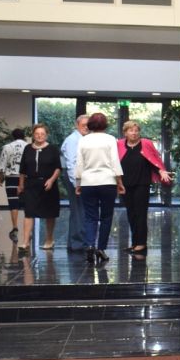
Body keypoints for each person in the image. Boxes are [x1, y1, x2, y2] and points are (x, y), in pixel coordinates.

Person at [74, 113, 124, 266]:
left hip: (88, 182)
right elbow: (115, 161)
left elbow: (79, 163)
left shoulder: (83, 140)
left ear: (90, 125)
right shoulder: (110, 139)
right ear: (105, 125)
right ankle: (101, 248)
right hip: (107, 181)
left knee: (90, 217)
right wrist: (119, 182)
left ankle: (90, 244)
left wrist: (78, 183)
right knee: (106, 217)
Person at [117, 120, 172, 259]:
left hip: (142, 183)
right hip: (125, 184)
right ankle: (135, 242)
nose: (134, 133)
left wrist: (161, 170)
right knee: (131, 213)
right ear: (125, 133)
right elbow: (115, 163)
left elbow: (154, 160)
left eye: (136, 131)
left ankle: (141, 243)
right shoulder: (119, 145)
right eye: (131, 130)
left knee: (140, 213)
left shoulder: (146, 143)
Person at [17, 123, 62, 254]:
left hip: (48, 184)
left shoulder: (52, 149)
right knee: (29, 212)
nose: (39, 136)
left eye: (42, 134)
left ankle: (49, 239)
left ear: (46, 135)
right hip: (31, 184)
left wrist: (51, 180)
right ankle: (25, 241)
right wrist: (21, 185)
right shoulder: (27, 148)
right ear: (33, 135)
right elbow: (22, 169)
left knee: (49, 213)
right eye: (37, 134)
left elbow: (58, 168)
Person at [60, 115, 90, 253]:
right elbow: (71, 163)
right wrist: (76, 183)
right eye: (83, 125)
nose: (86, 127)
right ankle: (78, 243)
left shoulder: (83, 139)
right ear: (77, 125)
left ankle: (75, 243)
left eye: (88, 125)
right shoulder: (73, 140)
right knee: (79, 210)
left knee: (79, 210)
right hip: (75, 177)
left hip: (79, 176)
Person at [0, 127, 27, 242]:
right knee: (27, 204)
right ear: (23, 136)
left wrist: (0, 179)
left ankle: (15, 227)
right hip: (25, 178)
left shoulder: (7, 147)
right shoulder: (28, 147)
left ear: (13, 136)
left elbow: (2, 165)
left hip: (11, 178)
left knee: (13, 204)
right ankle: (28, 229)